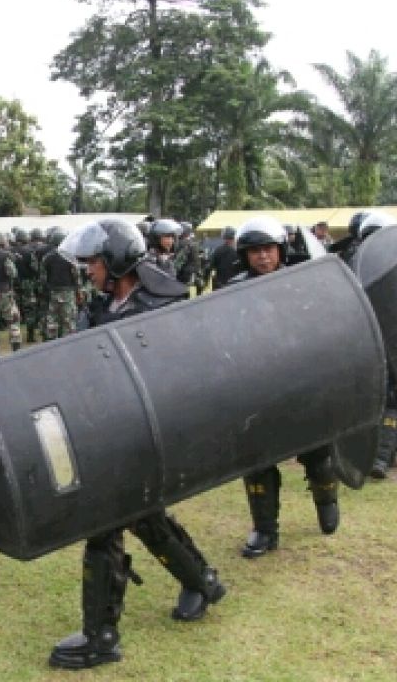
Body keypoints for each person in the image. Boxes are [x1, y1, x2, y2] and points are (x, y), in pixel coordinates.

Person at [48, 218, 226, 671]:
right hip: (110, 429)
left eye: (93, 262)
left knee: (104, 524)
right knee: (144, 518)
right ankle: (202, 581)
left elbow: (175, 373)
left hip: (147, 432)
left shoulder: (159, 304)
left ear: (115, 260)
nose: (88, 271)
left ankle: (100, 636)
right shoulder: (105, 303)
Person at [230, 216, 339, 556]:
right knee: (257, 464)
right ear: (245, 255)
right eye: (255, 251)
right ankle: (265, 531)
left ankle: (326, 500)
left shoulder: (301, 282)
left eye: (268, 249)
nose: (262, 257)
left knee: (318, 454)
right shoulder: (233, 290)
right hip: (258, 388)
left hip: (301, 382)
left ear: (281, 250)